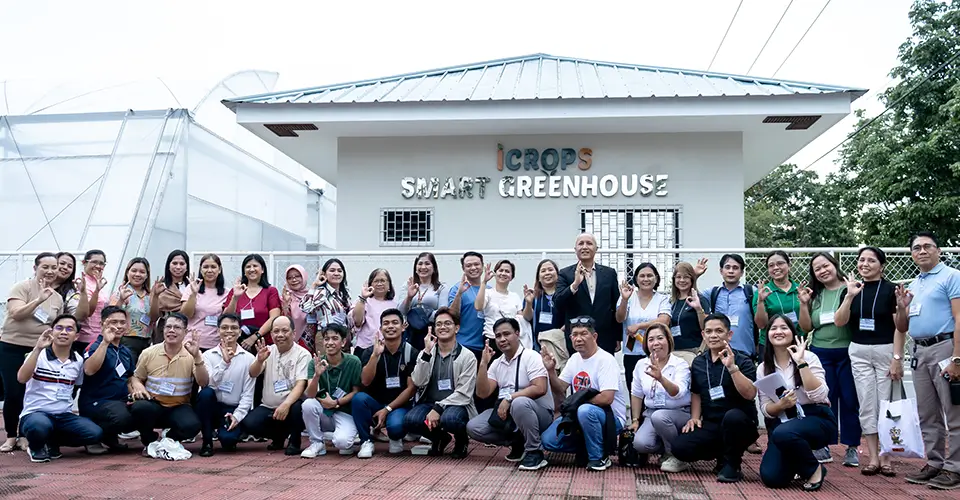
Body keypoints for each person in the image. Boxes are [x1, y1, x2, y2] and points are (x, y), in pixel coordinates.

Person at [897, 232, 960, 490]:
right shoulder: (915, 284)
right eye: (916, 248)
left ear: (939, 250)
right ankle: (935, 463)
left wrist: (958, 357)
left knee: (954, 412)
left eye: (927, 246)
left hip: (945, 347)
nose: (921, 251)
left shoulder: (952, 277)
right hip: (920, 351)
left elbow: (959, 318)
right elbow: (902, 326)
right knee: (927, 413)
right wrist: (902, 307)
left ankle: (955, 468)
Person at [671, 314, 758, 483]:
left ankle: (733, 463)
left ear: (729, 335)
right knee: (680, 447)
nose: (713, 335)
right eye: (709, 331)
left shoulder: (743, 360)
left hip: (740, 423)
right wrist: (695, 418)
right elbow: (696, 392)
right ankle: (723, 454)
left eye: (719, 331)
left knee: (733, 417)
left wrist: (733, 368)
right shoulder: (698, 362)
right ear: (703, 335)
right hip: (712, 423)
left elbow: (750, 394)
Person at [843, 247, 904, 476]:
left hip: (885, 349)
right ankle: (873, 457)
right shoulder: (853, 289)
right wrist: (849, 295)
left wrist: (897, 358)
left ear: (882, 265)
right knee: (867, 404)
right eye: (861, 260)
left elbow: (900, 327)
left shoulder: (891, 290)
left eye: (871, 260)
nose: (865, 264)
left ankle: (888, 457)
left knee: (887, 404)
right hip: (858, 350)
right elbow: (840, 321)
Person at [756, 315, 834, 491]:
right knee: (772, 477)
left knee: (783, 432)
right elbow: (766, 408)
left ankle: (814, 469)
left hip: (816, 417)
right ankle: (797, 463)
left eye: (784, 328)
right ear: (767, 334)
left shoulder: (809, 357)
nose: (778, 332)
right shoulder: (763, 367)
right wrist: (780, 405)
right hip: (785, 421)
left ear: (792, 332)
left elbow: (821, 395)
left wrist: (801, 363)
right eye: (773, 328)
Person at [541, 316, 628, 471]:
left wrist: (576, 404)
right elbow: (560, 387)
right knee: (548, 441)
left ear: (594, 337)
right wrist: (551, 371)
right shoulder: (574, 359)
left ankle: (598, 457)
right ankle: (586, 447)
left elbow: (607, 398)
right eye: (574, 335)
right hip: (581, 415)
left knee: (585, 410)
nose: (578, 339)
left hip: (610, 418)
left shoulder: (605, 360)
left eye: (583, 334)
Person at [799, 252, 860, 466]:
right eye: (817, 269)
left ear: (834, 265)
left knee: (850, 400)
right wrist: (804, 304)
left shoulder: (850, 289)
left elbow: (844, 321)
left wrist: (850, 295)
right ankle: (823, 445)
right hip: (821, 352)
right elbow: (806, 327)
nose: (823, 271)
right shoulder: (815, 294)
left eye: (826, 266)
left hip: (847, 352)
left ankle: (852, 447)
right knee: (824, 399)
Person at [467, 318, 553, 471]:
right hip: (510, 416)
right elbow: (482, 393)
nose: (502, 339)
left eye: (506, 334)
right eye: (498, 336)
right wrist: (483, 364)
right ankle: (517, 442)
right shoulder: (497, 362)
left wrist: (510, 398)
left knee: (519, 403)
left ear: (518, 334)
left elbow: (540, 388)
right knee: (474, 427)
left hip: (540, 414)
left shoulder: (531, 356)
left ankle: (535, 452)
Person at [0, 252, 64, 452]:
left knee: (33, 392)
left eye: (54, 267)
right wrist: (38, 300)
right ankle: (11, 435)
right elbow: (16, 313)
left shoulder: (58, 298)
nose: (50, 271)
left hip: (39, 349)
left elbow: (56, 325)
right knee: (14, 391)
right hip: (12, 346)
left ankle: (27, 434)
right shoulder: (22, 287)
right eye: (45, 267)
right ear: (35, 268)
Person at [17, 315, 102, 462]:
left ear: (76, 336)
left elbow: (75, 386)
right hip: (36, 413)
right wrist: (37, 349)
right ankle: (36, 447)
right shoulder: (39, 355)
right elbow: (22, 378)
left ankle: (51, 442)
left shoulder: (78, 360)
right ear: (51, 332)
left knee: (94, 433)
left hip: (63, 416)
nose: (64, 332)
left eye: (69, 329)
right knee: (39, 426)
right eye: (59, 328)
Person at [403, 307, 477, 458]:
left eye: (447, 323)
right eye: (439, 324)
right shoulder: (426, 352)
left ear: (457, 328)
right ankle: (439, 438)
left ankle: (461, 440)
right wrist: (426, 354)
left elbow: (464, 394)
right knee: (411, 420)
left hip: (456, 404)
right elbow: (418, 380)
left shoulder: (467, 356)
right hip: (430, 402)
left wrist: (439, 407)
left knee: (450, 419)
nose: (442, 327)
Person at [128, 312, 205, 448]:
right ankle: (149, 439)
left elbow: (203, 382)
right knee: (140, 408)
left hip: (179, 406)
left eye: (177, 327)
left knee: (192, 426)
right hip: (154, 404)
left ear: (185, 332)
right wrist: (137, 385)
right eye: (168, 327)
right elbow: (136, 377)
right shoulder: (149, 352)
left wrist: (197, 358)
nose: (171, 330)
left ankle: (169, 439)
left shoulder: (192, 354)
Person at [352, 309, 419, 458]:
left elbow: (411, 388)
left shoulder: (412, 353)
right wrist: (375, 356)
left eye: (395, 323)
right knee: (359, 399)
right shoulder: (370, 351)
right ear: (381, 328)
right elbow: (365, 381)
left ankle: (395, 437)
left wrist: (387, 409)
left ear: (403, 327)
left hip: (399, 406)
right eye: (386, 323)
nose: (390, 326)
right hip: (375, 404)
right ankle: (366, 441)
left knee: (395, 428)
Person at [628, 324, 691, 473]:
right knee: (640, 444)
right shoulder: (641, 364)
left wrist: (661, 378)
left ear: (668, 340)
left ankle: (676, 455)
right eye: (651, 339)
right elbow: (636, 394)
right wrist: (635, 420)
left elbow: (678, 392)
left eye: (660, 338)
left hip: (678, 412)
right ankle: (667, 448)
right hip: (652, 413)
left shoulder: (679, 364)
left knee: (660, 417)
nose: (655, 343)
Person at [244, 316, 310, 455]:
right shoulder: (268, 350)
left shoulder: (303, 354)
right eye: (276, 331)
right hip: (268, 406)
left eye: (285, 331)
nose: (280, 335)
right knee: (249, 424)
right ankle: (278, 436)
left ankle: (295, 441)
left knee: (299, 407)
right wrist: (259, 361)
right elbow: (253, 373)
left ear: (293, 333)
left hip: (291, 405)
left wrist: (286, 405)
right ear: (271, 334)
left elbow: (301, 384)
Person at [79, 306, 137, 453]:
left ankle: (109, 437)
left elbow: (130, 377)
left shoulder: (126, 351)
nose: (118, 326)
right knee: (122, 416)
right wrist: (105, 342)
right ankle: (93, 437)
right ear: (102, 324)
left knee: (143, 410)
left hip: (119, 401)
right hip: (96, 402)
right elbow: (89, 370)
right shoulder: (95, 346)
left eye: (122, 322)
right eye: (113, 322)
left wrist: (139, 393)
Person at [196, 313, 256, 457]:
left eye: (234, 328)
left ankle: (232, 429)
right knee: (205, 393)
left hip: (232, 408)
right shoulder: (208, 356)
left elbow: (248, 394)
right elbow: (209, 383)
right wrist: (224, 363)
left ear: (240, 332)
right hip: (212, 406)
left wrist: (237, 415)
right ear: (218, 331)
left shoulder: (249, 359)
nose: (229, 331)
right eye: (224, 327)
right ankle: (207, 441)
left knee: (228, 441)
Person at [301, 323, 363, 458]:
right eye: (326, 339)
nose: (330, 343)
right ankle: (317, 443)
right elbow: (310, 394)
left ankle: (339, 435)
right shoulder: (316, 362)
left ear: (343, 342)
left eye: (335, 338)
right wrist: (317, 375)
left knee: (343, 443)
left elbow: (356, 391)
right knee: (308, 404)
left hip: (344, 411)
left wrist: (336, 402)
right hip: (324, 411)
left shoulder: (353, 361)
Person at [555, 234, 621, 354]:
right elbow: (558, 302)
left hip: (605, 336)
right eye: (581, 244)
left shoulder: (609, 273)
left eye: (589, 243)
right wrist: (575, 284)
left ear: (596, 248)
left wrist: (617, 336)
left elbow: (615, 305)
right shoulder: (565, 274)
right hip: (577, 337)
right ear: (575, 249)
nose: (585, 247)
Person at [615, 262, 670, 391]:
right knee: (634, 390)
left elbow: (664, 320)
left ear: (656, 278)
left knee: (654, 388)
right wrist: (624, 299)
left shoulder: (662, 299)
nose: (646, 279)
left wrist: (639, 326)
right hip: (632, 353)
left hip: (656, 352)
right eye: (642, 276)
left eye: (650, 276)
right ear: (636, 279)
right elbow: (620, 318)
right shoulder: (628, 297)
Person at [397, 252, 448, 351]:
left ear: (434, 268)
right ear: (415, 268)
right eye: (420, 264)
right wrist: (409, 297)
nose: (423, 267)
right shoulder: (407, 285)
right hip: (410, 331)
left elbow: (442, 312)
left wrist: (424, 314)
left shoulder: (441, 287)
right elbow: (401, 312)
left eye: (427, 263)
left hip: (431, 331)